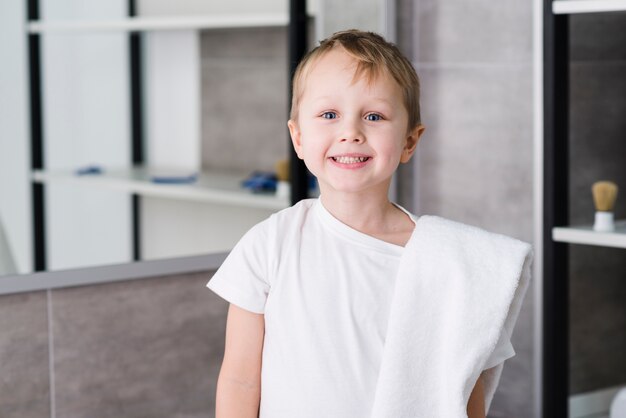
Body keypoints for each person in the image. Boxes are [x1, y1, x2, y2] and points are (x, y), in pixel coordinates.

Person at [207, 29, 515, 418]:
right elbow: (240, 379)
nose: (350, 132)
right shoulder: (270, 244)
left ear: (409, 141)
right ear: (298, 137)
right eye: (329, 115)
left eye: (374, 116)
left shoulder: (446, 262)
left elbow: (462, 382)